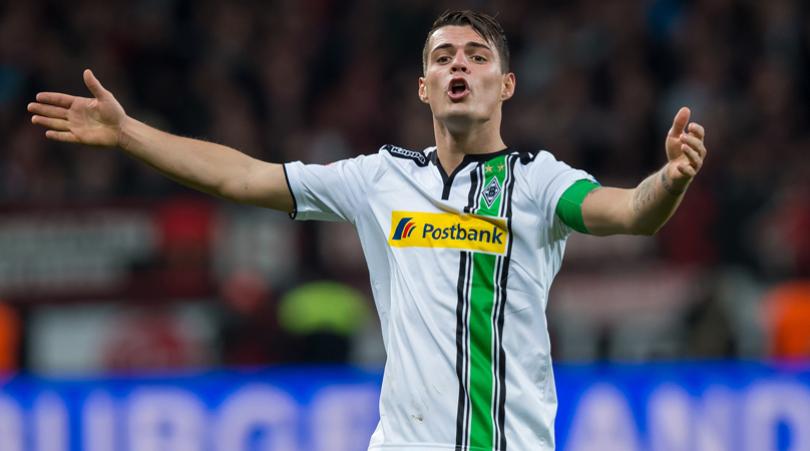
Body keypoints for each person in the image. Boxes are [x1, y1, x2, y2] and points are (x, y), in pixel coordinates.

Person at [28, 9, 707, 451]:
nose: (459, 65)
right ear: (423, 87)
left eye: (477, 56)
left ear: (506, 85)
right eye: (444, 57)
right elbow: (243, 177)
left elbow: (629, 212)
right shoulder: (380, 178)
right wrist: (129, 133)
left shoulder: (538, 181)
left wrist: (670, 180)